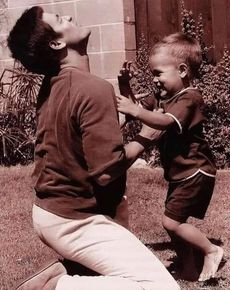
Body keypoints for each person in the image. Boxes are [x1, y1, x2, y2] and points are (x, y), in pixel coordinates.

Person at [7, 6, 180, 290]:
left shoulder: (54, 85)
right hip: (75, 219)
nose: (71, 17)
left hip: (51, 212)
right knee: (159, 287)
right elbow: (105, 172)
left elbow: (76, 137)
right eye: (61, 20)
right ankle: (58, 285)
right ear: (56, 43)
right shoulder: (92, 88)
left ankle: (64, 271)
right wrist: (145, 138)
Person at [117, 32, 224, 282]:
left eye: (158, 73)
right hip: (180, 172)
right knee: (175, 223)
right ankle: (188, 268)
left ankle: (211, 250)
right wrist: (124, 85)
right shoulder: (166, 96)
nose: (155, 80)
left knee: (171, 222)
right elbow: (137, 108)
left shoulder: (190, 98)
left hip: (195, 171)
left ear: (183, 70)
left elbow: (164, 121)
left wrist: (134, 110)